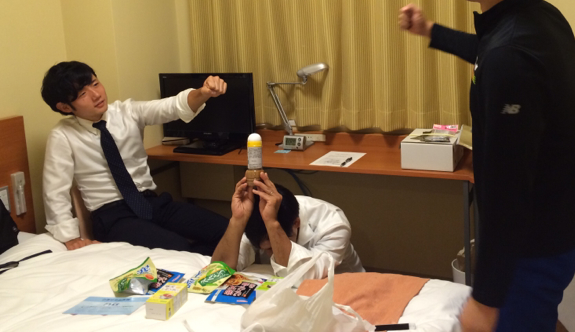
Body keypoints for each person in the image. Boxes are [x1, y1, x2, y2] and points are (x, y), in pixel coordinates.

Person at [398, 0, 575, 332]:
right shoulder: (540, 19)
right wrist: (431, 31)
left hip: (530, 249)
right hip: (556, 230)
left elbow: (507, 193)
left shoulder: (510, 58)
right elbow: (491, 50)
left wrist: (485, 298)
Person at [41, 61, 230, 255]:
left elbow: (171, 106)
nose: (96, 94)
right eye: (82, 94)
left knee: (228, 231)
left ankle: (205, 262)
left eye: (95, 84)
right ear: (65, 107)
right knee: (177, 246)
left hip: (150, 203)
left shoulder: (127, 112)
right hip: (113, 217)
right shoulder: (62, 135)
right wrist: (70, 237)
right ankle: (196, 260)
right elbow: (55, 190)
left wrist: (203, 93)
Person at [212, 171, 364, 280]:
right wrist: (237, 221)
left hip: (343, 285)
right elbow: (218, 272)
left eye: (271, 248)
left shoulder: (333, 224)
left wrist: (272, 224)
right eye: (264, 249)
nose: (269, 255)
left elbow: (305, 276)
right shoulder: (257, 219)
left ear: (296, 223)